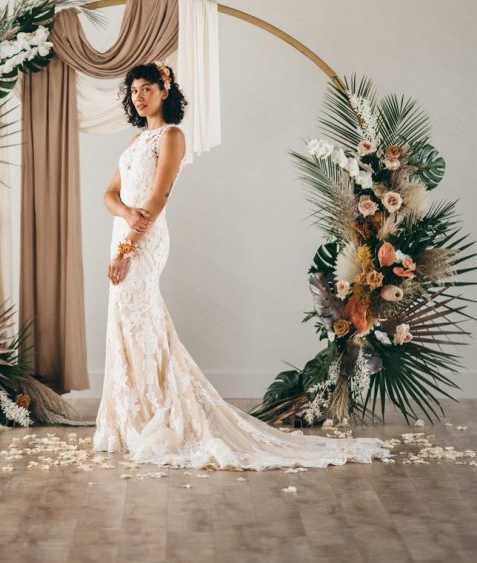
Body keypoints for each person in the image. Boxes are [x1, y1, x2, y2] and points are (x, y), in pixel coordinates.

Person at [92, 60, 390, 471]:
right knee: (126, 322)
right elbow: (108, 193)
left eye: (146, 88)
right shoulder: (133, 143)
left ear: (165, 91)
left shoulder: (172, 136)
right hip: (127, 230)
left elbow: (159, 199)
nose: (138, 96)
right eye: (133, 90)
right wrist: (125, 214)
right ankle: (134, 416)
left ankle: (162, 414)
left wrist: (128, 247)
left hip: (143, 240)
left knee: (140, 319)